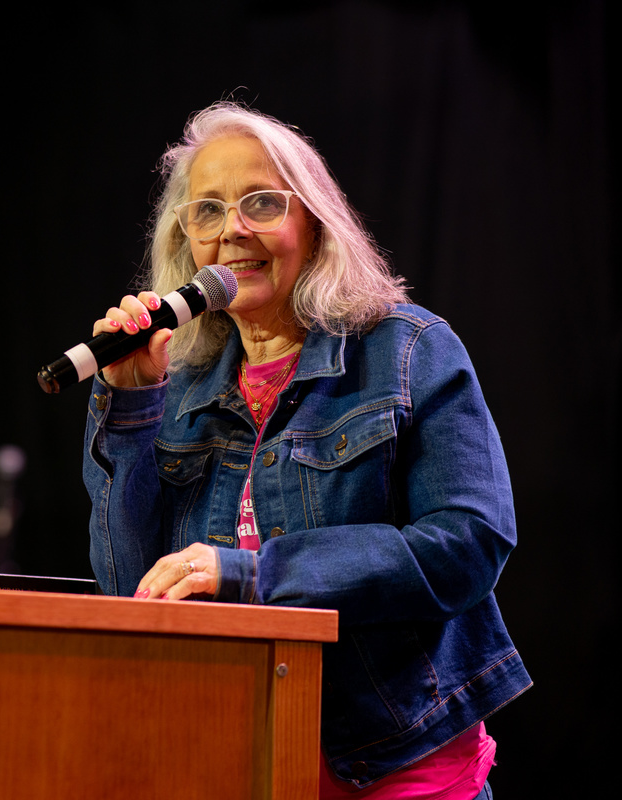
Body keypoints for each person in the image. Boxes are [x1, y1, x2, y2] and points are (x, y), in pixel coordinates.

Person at [82, 102, 531, 798]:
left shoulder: (406, 350)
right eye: (207, 211)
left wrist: (254, 573)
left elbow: (469, 543)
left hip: (399, 757)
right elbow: (131, 593)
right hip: (236, 751)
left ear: (314, 223)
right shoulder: (179, 385)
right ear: (187, 244)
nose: (234, 229)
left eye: (262, 202)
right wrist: (132, 403)